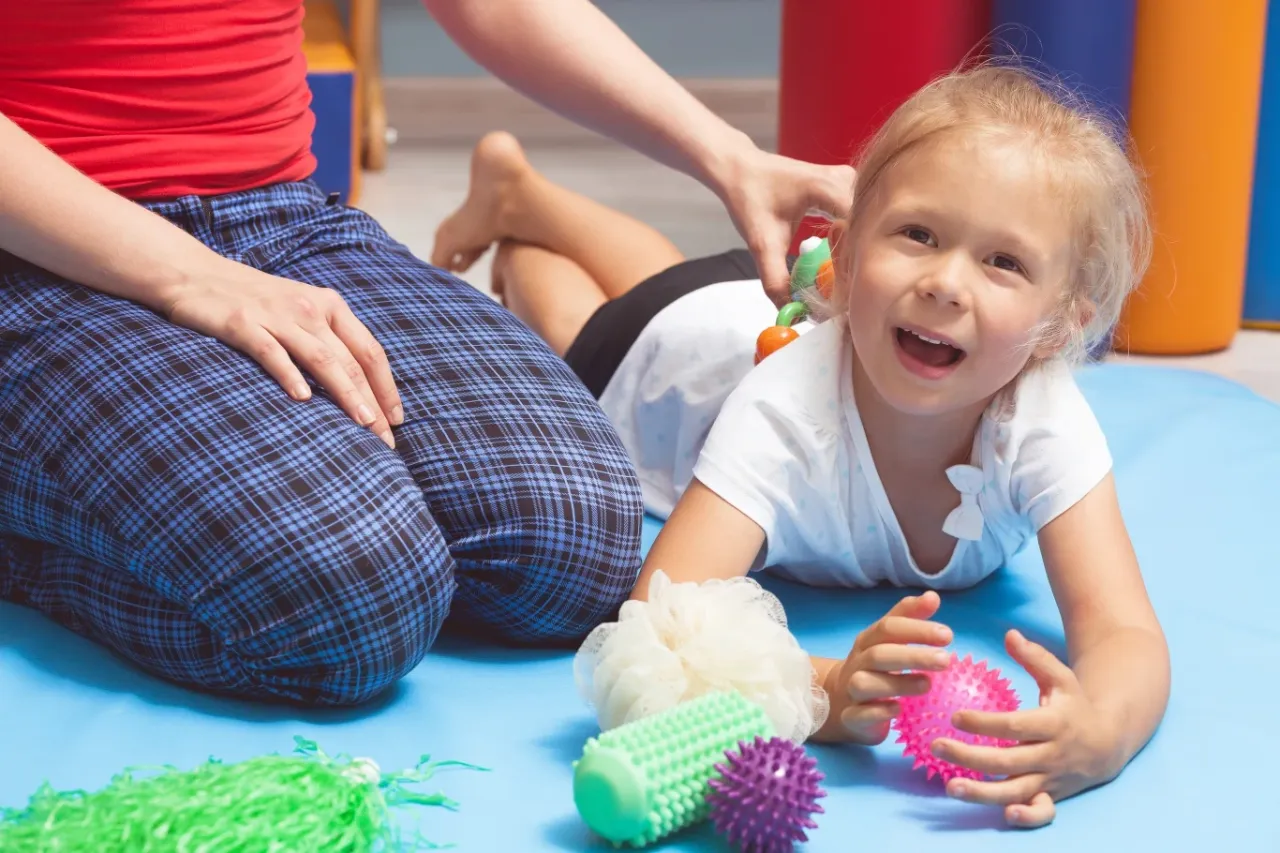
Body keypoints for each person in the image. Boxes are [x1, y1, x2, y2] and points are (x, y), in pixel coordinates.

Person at [0, 0, 850, 706]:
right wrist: (192, 279)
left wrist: (731, 158)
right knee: (348, 610)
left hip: (281, 217)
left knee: (575, 548)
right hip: (40, 248)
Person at [434, 65, 1170, 829]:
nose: (947, 282)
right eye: (918, 234)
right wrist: (827, 687)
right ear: (843, 259)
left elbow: (1124, 631)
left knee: (674, 279)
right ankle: (520, 231)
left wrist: (1103, 730)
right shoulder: (783, 412)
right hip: (666, 357)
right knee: (587, 323)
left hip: (757, 313)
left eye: (1004, 262)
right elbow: (656, 620)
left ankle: (521, 193)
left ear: (1060, 326)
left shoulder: (1041, 415)